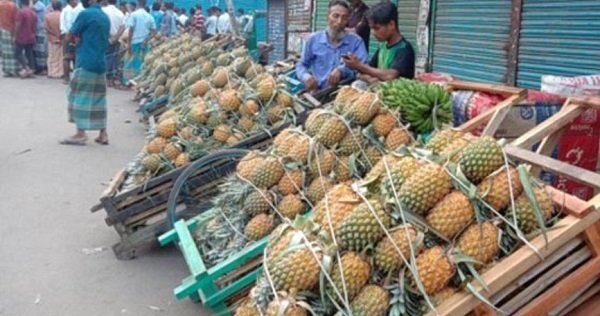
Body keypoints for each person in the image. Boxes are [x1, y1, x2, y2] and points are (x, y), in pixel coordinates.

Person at [61, 0, 110, 146]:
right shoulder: (104, 16)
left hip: (86, 61)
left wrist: (74, 43)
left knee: (77, 96)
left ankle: (80, 133)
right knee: (99, 99)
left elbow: (69, 35)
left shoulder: (85, 14)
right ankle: (103, 133)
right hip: (100, 63)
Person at [296, 0, 368, 92]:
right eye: (335, 16)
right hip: (318, 92)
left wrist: (342, 70)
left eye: (344, 18)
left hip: (346, 94)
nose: (339, 21)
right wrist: (306, 76)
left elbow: (364, 67)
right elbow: (301, 65)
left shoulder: (356, 42)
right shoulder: (314, 40)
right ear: (327, 17)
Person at [344, 2, 415, 82]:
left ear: (391, 25)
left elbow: (390, 75)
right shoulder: (382, 46)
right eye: (371, 28)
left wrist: (359, 65)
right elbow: (368, 70)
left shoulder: (404, 49)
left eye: (377, 28)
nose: (373, 33)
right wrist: (367, 76)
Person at [122, 0, 155, 86]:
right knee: (141, 63)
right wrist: (146, 40)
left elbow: (131, 30)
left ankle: (127, 82)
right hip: (144, 44)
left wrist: (128, 43)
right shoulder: (149, 16)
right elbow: (154, 31)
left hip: (134, 42)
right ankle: (137, 81)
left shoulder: (134, 15)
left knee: (129, 62)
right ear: (145, 3)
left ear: (137, 3)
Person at [102, 0, 125, 88]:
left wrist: (109, 37)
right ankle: (113, 78)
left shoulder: (103, 11)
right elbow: (122, 27)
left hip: (106, 38)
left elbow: (102, 25)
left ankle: (107, 79)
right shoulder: (120, 13)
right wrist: (115, 37)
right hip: (117, 39)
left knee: (107, 57)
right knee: (115, 58)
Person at [60, 0, 83, 83]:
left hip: (68, 35)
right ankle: (72, 78)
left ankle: (67, 78)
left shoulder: (65, 10)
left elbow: (62, 26)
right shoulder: (80, 10)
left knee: (67, 57)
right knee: (72, 57)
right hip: (74, 35)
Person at [15, 0, 38, 78]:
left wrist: (15, 36)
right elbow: (35, 26)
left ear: (21, 3)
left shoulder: (21, 12)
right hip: (31, 36)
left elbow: (18, 25)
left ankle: (26, 68)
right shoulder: (33, 13)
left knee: (17, 52)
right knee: (29, 53)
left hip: (22, 36)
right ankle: (31, 70)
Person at [0, 0, 19, 77]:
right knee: (12, 50)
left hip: (2, 28)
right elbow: (16, 20)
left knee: (5, 50)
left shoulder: (1, 3)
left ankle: (7, 69)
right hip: (11, 29)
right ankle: (13, 69)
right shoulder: (14, 6)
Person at [44, 0, 62, 78]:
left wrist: (53, 33)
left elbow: (46, 27)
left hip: (51, 38)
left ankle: (51, 73)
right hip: (61, 38)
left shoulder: (48, 16)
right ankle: (59, 73)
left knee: (51, 56)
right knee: (60, 56)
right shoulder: (62, 15)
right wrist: (58, 34)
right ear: (60, 7)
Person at [31, 0, 47, 74]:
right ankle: (38, 67)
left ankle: (42, 68)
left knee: (40, 50)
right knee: (36, 50)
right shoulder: (37, 5)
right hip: (36, 30)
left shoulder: (39, 6)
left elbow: (32, 9)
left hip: (40, 30)